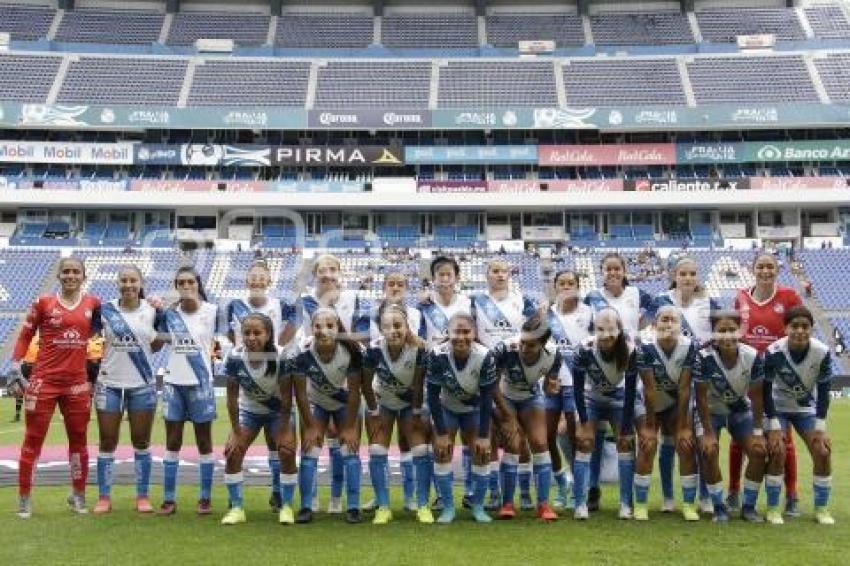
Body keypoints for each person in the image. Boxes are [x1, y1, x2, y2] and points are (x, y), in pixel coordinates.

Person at [6, 257, 101, 518]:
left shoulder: (94, 303)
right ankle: (24, 499)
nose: (71, 275)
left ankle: (78, 496)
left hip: (77, 384)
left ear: (83, 276)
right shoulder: (44, 303)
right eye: (66, 271)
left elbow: (100, 336)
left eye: (75, 271)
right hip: (43, 382)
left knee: (79, 441)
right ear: (59, 276)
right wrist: (15, 367)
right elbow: (25, 334)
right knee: (32, 441)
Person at [288, 254, 370, 514]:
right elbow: (297, 337)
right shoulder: (305, 301)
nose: (327, 274)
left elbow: (364, 339)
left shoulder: (353, 299)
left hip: (345, 389)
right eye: (322, 269)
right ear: (315, 274)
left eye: (332, 269)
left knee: (347, 446)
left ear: (340, 272)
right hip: (317, 390)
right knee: (311, 446)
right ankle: (309, 502)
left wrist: (336, 328)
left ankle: (342, 501)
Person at [730, 252, 802, 516]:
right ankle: (733, 491)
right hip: (746, 377)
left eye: (770, 266)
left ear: (777, 270)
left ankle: (792, 494)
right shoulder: (740, 297)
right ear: (753, 269)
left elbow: (799, 332)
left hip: (777, 378)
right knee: (740, 437)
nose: (765, 271)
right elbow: (734, 333)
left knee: (783, 438)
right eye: (761, 266)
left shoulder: (789, 297)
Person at [224, 260, 296, 512]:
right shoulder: (235, 355)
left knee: (284, 449)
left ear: (268, 333)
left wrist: (286, 428)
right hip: (249, 410)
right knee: (232, 450)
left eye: (258, 333)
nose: (252, 337)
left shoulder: (281, 355)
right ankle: (236, 505)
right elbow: (231, 398)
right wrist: (234, 430)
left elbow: (287, 399)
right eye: (248, 333)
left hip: (277, 410)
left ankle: (282, 500)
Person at [583, 252, 652, 511]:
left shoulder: (636, 294)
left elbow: (656, 308)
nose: (612, 273)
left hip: (627, 369)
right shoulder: (592, 297)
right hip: (599, 370)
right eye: (608, 269)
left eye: (616, 268)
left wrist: (638, 330)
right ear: (602, 272)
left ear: (624, 271)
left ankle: (627, 497)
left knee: (626, 436)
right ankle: (592, 490)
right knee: (594, 437)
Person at [92, 265, 164, 514]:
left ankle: (142, 496)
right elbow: (90, 338)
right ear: (117, 283)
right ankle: (104, 497)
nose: (128, 284)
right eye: (124, 280)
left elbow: (155, 347)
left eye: (133, 280)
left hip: (142, 384)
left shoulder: (152, 310)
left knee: (141, 441)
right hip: (109, 383)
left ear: (140, 283)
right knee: (107, 441)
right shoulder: (104, 310)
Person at [649, 255, 718, 513]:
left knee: (699, 441)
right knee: (668, 442)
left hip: (699, 379)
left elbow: (721, 331)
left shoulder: (708, 303)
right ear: (673, 276)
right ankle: (668, 497)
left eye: (692, 273)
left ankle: (704, 496)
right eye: (683, 274)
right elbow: (648, 331)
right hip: (668, 380)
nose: (688, 278)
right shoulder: (661, 302)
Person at [471, 258, 538, 510]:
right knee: (490, 434)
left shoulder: (522, 301)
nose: (500, 275)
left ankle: (524, 491)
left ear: (509, 275)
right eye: (495, 271)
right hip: (485, 375)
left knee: (517, 436)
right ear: (486, 274)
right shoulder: (475, 302)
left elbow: (533, 331)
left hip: (514, 375)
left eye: (504, 271)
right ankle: (494, 492)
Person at [157, 266, 221, 516]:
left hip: (201, 383)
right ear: (176, 286)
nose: (186, 286)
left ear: (198, 284)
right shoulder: (169, 314)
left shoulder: (213, 311)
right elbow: (154, 343)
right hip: (173, 382)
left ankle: (205, 498)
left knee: (204, 442)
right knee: (173, 442)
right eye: (181, 282)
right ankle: (169, 498)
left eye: (190, 282)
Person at [763, 306, 835, 525]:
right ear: (786, 328)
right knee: (777, 451)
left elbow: (823, 392)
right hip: (777, 407)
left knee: (822, 452)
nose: (800, 331)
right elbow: (765, 391)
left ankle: (822, 508)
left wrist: (820, 428)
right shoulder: (773, 352)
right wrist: (774, 427)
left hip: (805, 409)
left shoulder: (821, 352)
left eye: (805, 326)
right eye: (795, 326)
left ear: (812, 329)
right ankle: (773, 508)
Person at [292, 308, 364, 524]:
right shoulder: (302, 351)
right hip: (316, 404)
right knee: (309, 453)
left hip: (345, 405)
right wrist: (311, 426)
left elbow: (353, 393)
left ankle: (353, 506)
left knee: (350, 453)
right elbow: (301, 394)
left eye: (330, 326)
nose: (324, 330)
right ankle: (306, 506)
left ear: (338, 328)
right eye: (318, 326)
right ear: (311, 328)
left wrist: (350, 426)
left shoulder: (352, 350)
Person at [693, 311, 767, 523]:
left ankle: (749, 506)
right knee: (709, 450)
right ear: (714, 334)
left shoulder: (752, 356)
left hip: (739, 411)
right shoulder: (703, 356)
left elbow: (757, 396)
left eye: (731, 330)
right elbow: (701, 399)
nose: (727, 336)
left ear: (740, 331)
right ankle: (718, 506)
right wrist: (707, 433)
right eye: (721, 331)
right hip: (710, 413)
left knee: (759, 450)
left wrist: (759, 432)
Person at [427, 312, 498, 524]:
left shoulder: (485, 355)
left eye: (466, 332)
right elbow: (432, 395)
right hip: (447, 407)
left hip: (475, 409)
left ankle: (477, 507)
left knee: (482, 452)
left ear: (474, 333)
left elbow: (487, 398)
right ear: (447, 333)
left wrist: (485, 436)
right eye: (456, 332)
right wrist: (440, 433)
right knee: (442, 452)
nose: (461, 337)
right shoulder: (437, 354)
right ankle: (448, 508)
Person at [417, 256, 476, 508]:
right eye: (439, 274)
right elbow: (419, 340)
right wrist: (434, 350)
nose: (444, 278)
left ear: (456, 277)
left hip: (466, 377)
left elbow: (477, 336)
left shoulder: (468, 304)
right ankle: (443, 494)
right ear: (433, 279)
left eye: (448, 274)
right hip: (437, 380)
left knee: (473, 439)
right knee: (441, 439)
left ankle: (472, 492)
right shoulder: (424, 307)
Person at [362, 302, 429, 524]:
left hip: (410, 404)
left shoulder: (419, 349)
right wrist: (373, 410)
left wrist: (418, 411)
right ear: (381, 329)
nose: (393, 331)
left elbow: (419, 385)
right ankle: (383, 506)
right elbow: (364, 383)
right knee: (376, 449)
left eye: (398, 325)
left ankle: (422, 505)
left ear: (407, 325)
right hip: (384, 402)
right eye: (387, 327)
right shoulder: (373, 350)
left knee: (420, 449)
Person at [571, 308, 639, 521]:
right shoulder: (583, 349)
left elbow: (630, 392)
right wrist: (582, 421)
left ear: (619, 330)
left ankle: (626, 503)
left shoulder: (630, 350)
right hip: (591, 399)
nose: (606, 335)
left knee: (626, 443)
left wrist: (627, 428)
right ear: (594, 329)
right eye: (600, 329)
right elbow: (577, 389)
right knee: (584, 442)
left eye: (611, 329)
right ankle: (580, 502)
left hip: (618, 400)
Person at [493, 313, 560, 522]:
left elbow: (550, 387)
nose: (523, 348)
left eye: (530, 345)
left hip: (532, 397)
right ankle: (507, 503)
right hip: (505, 396)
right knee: (514, 444)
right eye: (522, 342)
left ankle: (543, 504)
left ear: (543, 343)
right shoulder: (504, 348)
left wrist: (552, 388)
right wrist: (506, 416)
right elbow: (491, 386)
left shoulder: (554, 354)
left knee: (540, 443)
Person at [635, 306, 698, 521]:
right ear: (655, 325)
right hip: (648, 403)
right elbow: (650, 389)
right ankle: (641, 504)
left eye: (673, 320)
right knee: (648, 444)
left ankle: (687, 504)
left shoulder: (690, 347)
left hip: (674, 404)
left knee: (685, 444)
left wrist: (682, 426)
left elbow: (684, 388)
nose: (668, 324)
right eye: (664, 319)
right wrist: (650, 426)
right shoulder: (645, 347)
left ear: (681, 326)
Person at [545, 269, 593, 510]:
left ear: (578, 286)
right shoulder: (546, 314)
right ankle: (562, 482)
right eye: (561, 283)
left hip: (577, 385)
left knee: (574, 437)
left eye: (571, 283)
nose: (566, 287)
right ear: (555, 286)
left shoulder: (588, 313)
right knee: (547, 437)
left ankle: (578, 488)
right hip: (551, 384)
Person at [14, 333, 39, 423]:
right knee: (19, 391)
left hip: (36, 367)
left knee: (34, 392)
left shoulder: (40, 338)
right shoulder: (25, 340)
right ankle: (17, 415)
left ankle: (35, 415)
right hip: (24, 366)